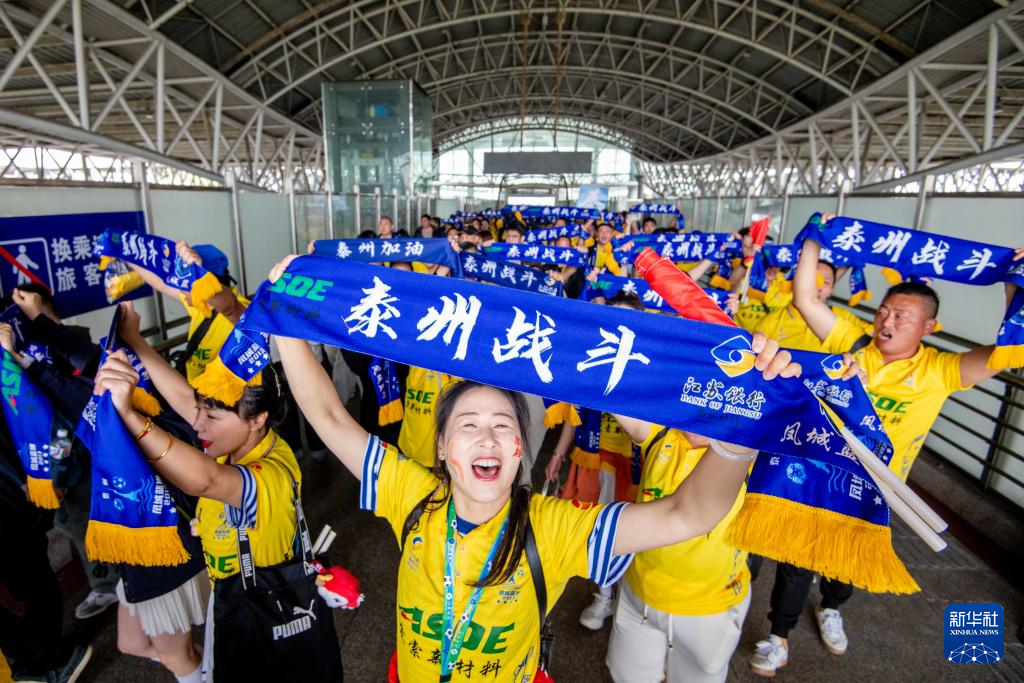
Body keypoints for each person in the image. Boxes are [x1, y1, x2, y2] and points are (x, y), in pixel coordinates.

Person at [271, 250, 800, 682]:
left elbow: (688, 513)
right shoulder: (410, 494)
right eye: (468, 425)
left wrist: (742, 430)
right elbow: (328, 416)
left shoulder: (553, 528)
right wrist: (284, 316)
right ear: (441, 449)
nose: (486, 437)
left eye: (503, 425)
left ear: (520, 449)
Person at [747, 237, 1023, 677]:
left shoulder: (939, 370)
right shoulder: (851, 343)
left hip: (876, 491)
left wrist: (1014, 285)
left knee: (847, 565)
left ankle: (832, 608)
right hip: (821, 476)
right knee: (796, 562)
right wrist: (815, 240)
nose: (886, 321)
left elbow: (1009, 352)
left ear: (928, 326)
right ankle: (778, 637)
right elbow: (805, 298)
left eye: (901, 316)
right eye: (883, 311)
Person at [93, 302, 333, 680]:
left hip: (264, 611)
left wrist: (128, 415)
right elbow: (184, 400)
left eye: (212, 416)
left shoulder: (270, 473)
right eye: (201, 411)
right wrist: (135, 341)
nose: (198, 425)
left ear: (257, 419)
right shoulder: (233, 441)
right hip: (233, 599)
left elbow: (205, 481)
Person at [1, 287, 120, 621]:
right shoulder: (17, 353)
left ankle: (108, 584)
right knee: (68, 521)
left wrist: (58, 470)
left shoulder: (67, 342)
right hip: (58, 451)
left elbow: (73, 399)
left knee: (83, 521)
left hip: (78, 448)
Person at [0, 410, 93, 682]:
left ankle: (50, 657)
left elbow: (54, 419)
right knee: (28, 578)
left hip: (15, 497)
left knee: (30, 577)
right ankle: (45, 656)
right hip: (16, 496)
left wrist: (55, 473)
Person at [129, 241, 247, 383]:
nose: (181, 291)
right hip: (193, 387)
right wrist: (125, 256)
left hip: (219, 394)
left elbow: (231, 308)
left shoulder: (241, 312)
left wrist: (197, 276)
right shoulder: (200, 303)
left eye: (184, 284)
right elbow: (162, 285)